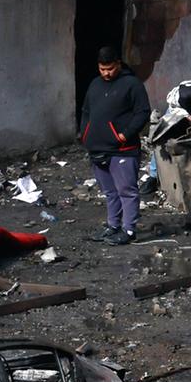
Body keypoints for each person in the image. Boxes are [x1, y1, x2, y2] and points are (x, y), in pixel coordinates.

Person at [80, 45, 151, 246]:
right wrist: (85, 134)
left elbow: (143, 112)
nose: (106, 73)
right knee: (110, 192)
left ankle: (129, 230)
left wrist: (124, 135)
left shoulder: (132, 84)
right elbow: (86, 111)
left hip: (123, 150)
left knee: (126, 191)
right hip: (97, 148)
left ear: (118, 64)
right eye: (102, 69)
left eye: (110, 68)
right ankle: (113, 226)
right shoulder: (95, 84)